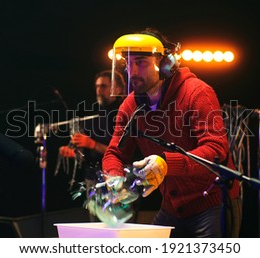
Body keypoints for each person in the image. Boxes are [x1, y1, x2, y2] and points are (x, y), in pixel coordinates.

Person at [102, 28, 241, 237]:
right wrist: (114, 177)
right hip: (172, 206)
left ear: (166, 65)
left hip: (211, 203)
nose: (133, 72)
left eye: (141, 62)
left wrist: (166, 163)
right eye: (128, 63)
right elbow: (115, 153)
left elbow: (215, 150)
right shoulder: (130, 105)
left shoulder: (197, 93)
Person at [57, 70, 126, 219]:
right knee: (95, 225)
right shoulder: (92, 114)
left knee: (117, 226)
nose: (99, 91)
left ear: (119, 89)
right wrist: (73, 153)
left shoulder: (123, 114)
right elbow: (85, 153)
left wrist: (92, 144)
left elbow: (123, 152)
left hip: (116, 179)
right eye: (97, 86)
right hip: (92, 179)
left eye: (104, 86)